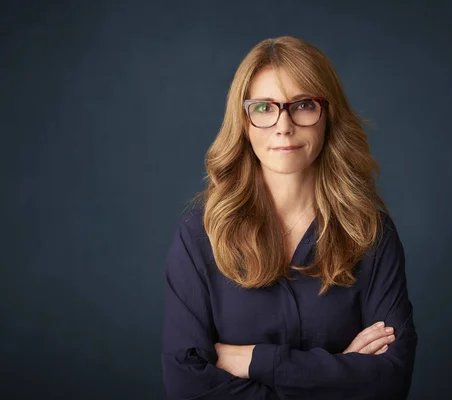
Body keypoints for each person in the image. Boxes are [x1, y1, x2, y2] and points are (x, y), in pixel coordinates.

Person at [161, 36, 417, 400]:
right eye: (264, 107)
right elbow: (187, 387)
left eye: (303, 105)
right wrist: (340, 372)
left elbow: (389, 381)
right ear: (244, 122)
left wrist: (253, 360)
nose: (284, 126)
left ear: (327, 115)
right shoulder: (200, 234)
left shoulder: (370, 233)